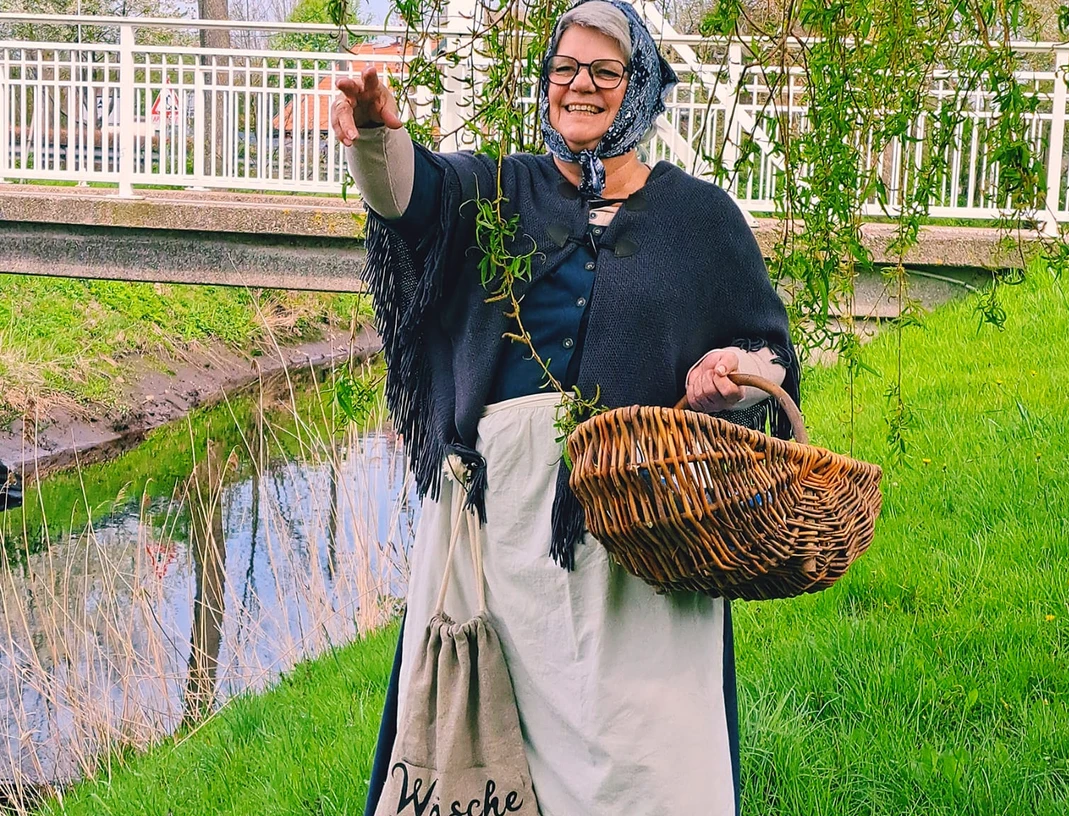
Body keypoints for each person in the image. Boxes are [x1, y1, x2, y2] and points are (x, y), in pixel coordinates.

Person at [333, 1, 799, 813]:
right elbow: (410, 198)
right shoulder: (497, 191)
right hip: (501, 540)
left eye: (605, 70)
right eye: (565, 69)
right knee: (483, 757)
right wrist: (378, 136)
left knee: (649, 768)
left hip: (645, 544)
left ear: (643, 84)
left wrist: (724, 380)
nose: (580, 86)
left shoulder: (702, 222)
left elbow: (774, 368)